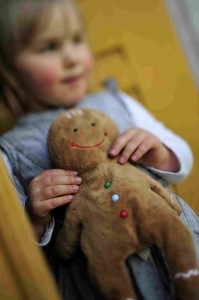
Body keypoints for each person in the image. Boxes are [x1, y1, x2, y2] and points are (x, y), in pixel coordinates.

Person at [0, 0, 198, 299]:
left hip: (174, 247)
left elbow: (183, 156)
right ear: (10, 68)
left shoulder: (117, 102)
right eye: (49, 47)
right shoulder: (10, 150)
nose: (72, 58)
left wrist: (159, 153)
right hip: (103, 280)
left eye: (77, 39)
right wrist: (34, 217)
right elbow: (19, 253)